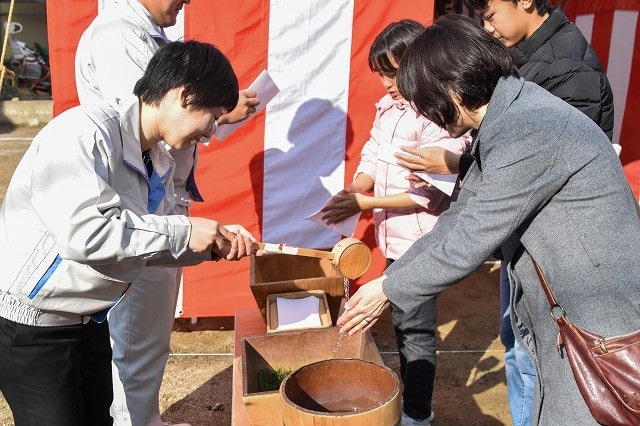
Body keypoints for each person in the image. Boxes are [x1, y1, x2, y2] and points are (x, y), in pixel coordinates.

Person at [337, 14, 640, 425]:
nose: (426, 116)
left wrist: (387, 288)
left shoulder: (528, 129)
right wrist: (388, 280)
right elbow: (457, 219)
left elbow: (471, 239)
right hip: (570, 319)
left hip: (600, 327)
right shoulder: (507, 118)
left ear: (452, 88)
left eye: (425, 102)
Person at [0, 40, 260, 426]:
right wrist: (183, 231)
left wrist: (213, 245)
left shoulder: (156, 158)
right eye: (214, 117)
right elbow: (88, 236)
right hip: (33, 325)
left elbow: (138, 242)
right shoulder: (83, 134)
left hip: (86, 320)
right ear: (185, 95)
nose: (208, 135)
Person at [75, 1, 260, 425]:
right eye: (208, 114)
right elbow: (147, 121)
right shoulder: (117, 34)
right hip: (143, 201)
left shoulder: (140, 33)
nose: (187, 1)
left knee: (148, 335)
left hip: (157, 196)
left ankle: (143, 419)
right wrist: (222, 110)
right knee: (135, 335)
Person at [321, 19, 469, 426]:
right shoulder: (389, 109)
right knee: (405, 324)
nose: (386, 83)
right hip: (395, 238)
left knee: (415, 330)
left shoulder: (439, 113)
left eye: (392, 72)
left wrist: (363, 202)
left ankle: (418, 414)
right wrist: (358, 186)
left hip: (423, 241)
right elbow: (372, 154)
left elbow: (432, 193)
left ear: (417, 62)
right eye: (381, 74)